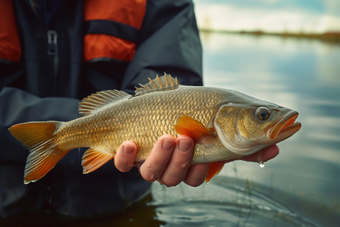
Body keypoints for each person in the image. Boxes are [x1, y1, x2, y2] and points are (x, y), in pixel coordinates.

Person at [0, 0, 279, 219]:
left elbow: (178, 90)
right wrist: (65, 134)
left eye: (262, 114)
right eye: (262, 114)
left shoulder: (163, 4)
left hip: (116, 204)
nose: (267, 117)